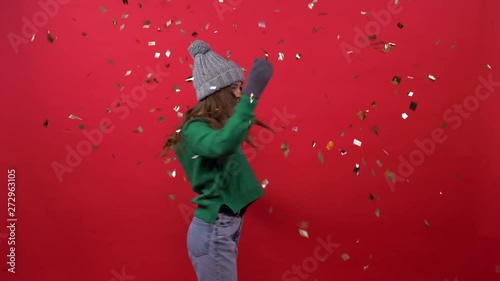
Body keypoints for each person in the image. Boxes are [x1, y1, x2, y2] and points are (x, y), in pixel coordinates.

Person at [161, 40, 274, 281]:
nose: (240, 94)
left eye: (242, 87)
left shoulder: (214, 128)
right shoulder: (193, 129)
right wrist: (252, 95)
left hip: (225, 229)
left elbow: (230, 137)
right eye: (236, 87)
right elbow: (222, 144)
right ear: (219, 93)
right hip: (213, 232)